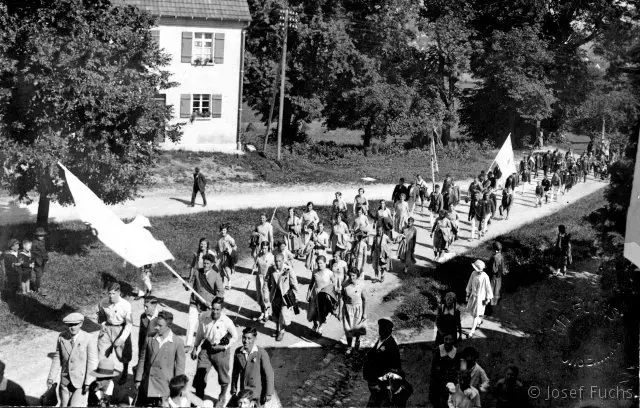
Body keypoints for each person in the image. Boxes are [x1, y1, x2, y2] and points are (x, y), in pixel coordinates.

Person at [191, 297, 238, 406]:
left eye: (218, 309)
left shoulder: (227, 321)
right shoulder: (204, 316)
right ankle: (198, 399)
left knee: (223, 377)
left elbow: (235, 336)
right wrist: (195, 347)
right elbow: (200, 333)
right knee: (200, 375)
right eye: (213, 309)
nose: (215, 312)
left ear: (222, 309)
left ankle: (222, 397)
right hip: (206, 349)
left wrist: (223, 347)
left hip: (220, 351)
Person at [47, 312, 98, 407]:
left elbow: (92, 362)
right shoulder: (62, 337)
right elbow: (57, 358)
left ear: (81, 324)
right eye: (70, 325)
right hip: (65, 380)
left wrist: (88, 382)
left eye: (75, 324)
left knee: (74, 405)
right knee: (64, 405)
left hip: (81, 382)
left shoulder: (88, 338)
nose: (73, 327)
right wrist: (51, 377)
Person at [135, 311, 186, 407]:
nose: (156, 327)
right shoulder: (149, 338)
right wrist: (138, 379)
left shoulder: (177, 342)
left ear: (168, 326)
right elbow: (142, 360)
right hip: (149, 384)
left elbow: (180, 367)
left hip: (165, 386)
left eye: (160, 325)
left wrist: (178, 388)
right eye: (156, 324)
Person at [185, 253, 225, 350]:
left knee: (207, 325)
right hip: (195, 301)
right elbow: (190, 284)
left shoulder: (216, 275)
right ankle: (188, 344)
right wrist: (187, 285)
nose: (205, 265)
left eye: (207, 264)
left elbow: (221, 292)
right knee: (191, 322)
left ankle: (210, 343)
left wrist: (212, 303)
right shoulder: (197, 272)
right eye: (204, 263)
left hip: (208, 305)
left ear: (212, 264)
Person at [97, 282, 133, 385]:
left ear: (119, 293)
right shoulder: (103, 302)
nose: (111, 296)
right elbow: (101, 315)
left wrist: (121, 338)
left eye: (113, 293)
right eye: (109, 293)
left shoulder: (126, 305)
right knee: (102, 354)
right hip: (107, 329)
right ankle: (104, 378)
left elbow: (129, 324)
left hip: (121, 329)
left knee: (123, 356)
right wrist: (103, 324)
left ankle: (125, 371)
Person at [231, 327, 275, 406]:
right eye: (244, 337)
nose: (246, 341)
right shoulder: (238, 352)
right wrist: (233, 388)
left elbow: (269, 373)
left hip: (258, 392)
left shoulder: (261, 353)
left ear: (255, 338)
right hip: (244, 392)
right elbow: (235, 372)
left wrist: (269, 393)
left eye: (249, 338)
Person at [363, 318, 401, 407]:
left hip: (381, 383)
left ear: (389, 331)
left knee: (379, 401)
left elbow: (394, 368)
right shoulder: (381, 339)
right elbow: (373, 352)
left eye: (383, 329)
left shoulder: (391, 346)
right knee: (375, 400)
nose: (380, 331)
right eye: (380, 329)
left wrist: (384, 384)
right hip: (373, 380)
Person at [267, 254, 299, 342]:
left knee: (283, 314)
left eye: (279, 261)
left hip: (286, 296)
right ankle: (278, 329)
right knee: (276, 313)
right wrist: (269, 292)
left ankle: (281, 331)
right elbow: (268, 282)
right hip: (275, 295)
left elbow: (294, 283)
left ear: (283, 260)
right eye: (276, 261)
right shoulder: (271, 269)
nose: (277, 263)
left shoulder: (288, 269)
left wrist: (296, 296)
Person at [307, 255, 336, 335]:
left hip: (324, 295)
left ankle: (320, 327)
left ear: (325, 263)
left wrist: (330, 293)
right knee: (313, 311)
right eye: (318, 263)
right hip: (315, 294)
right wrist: (308, 293)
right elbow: (311, 283)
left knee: (323, 312)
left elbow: (334, 284)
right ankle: (315, 324)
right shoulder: (314, 272)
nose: (319, 265)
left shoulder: (329, 273)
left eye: (321, 263)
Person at [429, 333, 460, 408]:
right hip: (438, 379)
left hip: (449, 380)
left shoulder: (456, 353)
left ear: (453, 341)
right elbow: (433, 367)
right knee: (436, 400)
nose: (448, 341)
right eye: (446, 339)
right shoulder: (438, 350)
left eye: (450, 339)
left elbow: (457, 369)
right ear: (443, 340)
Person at [341, 268, 367, 355]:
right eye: (350, 275)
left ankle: (357, 340)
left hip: (358, 309)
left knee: (357, 328)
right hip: (348, 309)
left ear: (357, 276)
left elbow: (364, 299)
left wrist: (364, 313)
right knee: (348, 329)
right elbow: (342, 298)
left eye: (353, 276)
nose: (351, 277)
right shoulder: (345, 285)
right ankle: (349, 346)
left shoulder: (362, 285)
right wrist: (341, 310)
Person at [465, 260, 493, 338]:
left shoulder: (485, 276)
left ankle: (472, 331)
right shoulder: (473, 273)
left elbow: (488, 288)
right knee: (472, 312)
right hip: (473, 296)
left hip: (480, 298)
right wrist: (467, 294)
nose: (477, 271)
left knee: (476, 314)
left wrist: (488, 298)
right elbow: (469, 283)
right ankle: (479, 321)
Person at [254, 241, 274, 323]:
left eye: (265, 248)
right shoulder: (259, 256)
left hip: (267, 279)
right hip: (259, 277)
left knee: (265, 296)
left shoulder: (271, 257)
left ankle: (267, 313)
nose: (264, 250)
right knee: (259, 295)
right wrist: (254, 265)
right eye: (262, 248)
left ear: (268, 248)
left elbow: (273, 268)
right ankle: (262, 312)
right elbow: (256, 265)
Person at [138, 296, 160, 365]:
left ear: (154, 306)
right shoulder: (143, 317)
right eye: (144, 306)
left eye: (147, 306)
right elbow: (141, 335)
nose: (144, 309)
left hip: (156, 350)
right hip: (145, 349)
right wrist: (140, 351)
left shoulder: (161, 318)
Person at [217, 224, 238, 290]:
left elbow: (234, 245)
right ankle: (222, 284)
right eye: (222, 230)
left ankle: (229, 283)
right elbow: (217, 247)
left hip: (227, 256)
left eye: (224, 230)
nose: (223, 232)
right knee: (221, 270)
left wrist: (231, 251)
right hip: (221, 256)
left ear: (226, 231)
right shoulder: (219, 238)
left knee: (227, 269)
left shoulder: (229, 238)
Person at [32, 226, 48, 293]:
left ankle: (38, 285)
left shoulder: (43, 241)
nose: (41, 237)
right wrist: (33, 261)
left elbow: (44, 250)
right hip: (37, 261)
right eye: (39, 236)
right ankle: (37, 288)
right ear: (36, 235)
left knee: (41, 273)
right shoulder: (34, 243)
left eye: (42, 235)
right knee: (38, 275)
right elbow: (32, 252)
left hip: (43, 260)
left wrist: (46, 258)